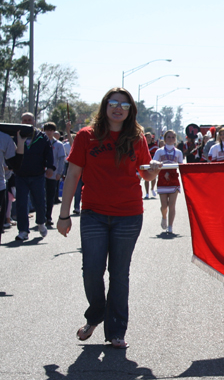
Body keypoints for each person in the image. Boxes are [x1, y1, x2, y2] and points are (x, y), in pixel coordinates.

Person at [57, 87, 162, 349]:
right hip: (94, 213)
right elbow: (72, 175)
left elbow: (145, 174)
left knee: (119, 273)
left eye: (124, 105)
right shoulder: (86, 136)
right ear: (105, 106)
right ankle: (96, 314)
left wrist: (154, 172)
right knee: (92, 271)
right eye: (113, 103)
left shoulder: (136, 138)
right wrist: (64, 215)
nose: (118, 108)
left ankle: (116, 330)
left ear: (130, 111)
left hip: (128, 215)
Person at [14, 112, 55, 241]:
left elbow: (49, 154)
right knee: (21, 204)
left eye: (29, 120)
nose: (27, 122)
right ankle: (23, 231)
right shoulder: (16, 136)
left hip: (37, 175)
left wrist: (50, 167)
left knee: (39, 202)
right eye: (24, 120)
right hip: (20, 175)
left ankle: (41, 223)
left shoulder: (42, 137)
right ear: (21, 122)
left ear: (34, 121)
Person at [152, 130, 184, 234]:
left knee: (172, 205)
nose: (170, 139)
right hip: (162, 178)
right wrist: (161, 169)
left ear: (175, 139)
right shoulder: (159, 151)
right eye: (168, 137)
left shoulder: (178, 152)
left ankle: (170, 226)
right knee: (164, 205)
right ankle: (164, 216)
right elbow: (153, 162)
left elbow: (181, 166)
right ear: (165, 139)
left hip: (173, 179)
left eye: (172, 137)